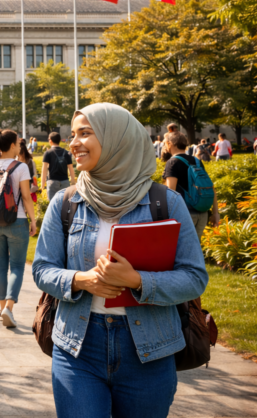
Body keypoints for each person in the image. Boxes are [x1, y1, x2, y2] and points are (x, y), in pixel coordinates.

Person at [32, 103, 208, 418]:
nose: (74, 143)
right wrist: (80, 280)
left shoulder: (166, 202)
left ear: (116, 138)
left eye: (85, 133)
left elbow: (195, 278)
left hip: (149, 350)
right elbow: (42, 269)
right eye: (73, 134)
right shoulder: (65, 203)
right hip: (78, 348)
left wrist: (137, 281)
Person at [0, 130, 37, 327]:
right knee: (17, 267)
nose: (20, 146)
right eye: (18, 143)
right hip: (17, 220)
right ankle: (9, 308)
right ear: (12, 145)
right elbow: (26, 196)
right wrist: (33, 220)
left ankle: (1, 306)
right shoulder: (21, 167)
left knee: (0, 266)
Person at [163, 131, 220, 240]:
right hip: (202, 214)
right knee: (195, 250)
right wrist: (215, 213)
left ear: (170, 144)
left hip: (185, 215)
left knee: (182, 252)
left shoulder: (172, 162)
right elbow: (210, 187)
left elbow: (171, 192)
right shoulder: (196, 161)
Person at [41, 132, 76, 200]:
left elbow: (44, 170)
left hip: (52, 182)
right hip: (65, 182)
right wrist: (73, 182)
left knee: (53, 205)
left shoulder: (47, 153)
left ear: (50, 140)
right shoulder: (67, 153)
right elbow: (71, 169)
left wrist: (42, 185)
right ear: (59, 140)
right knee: (65, 205)